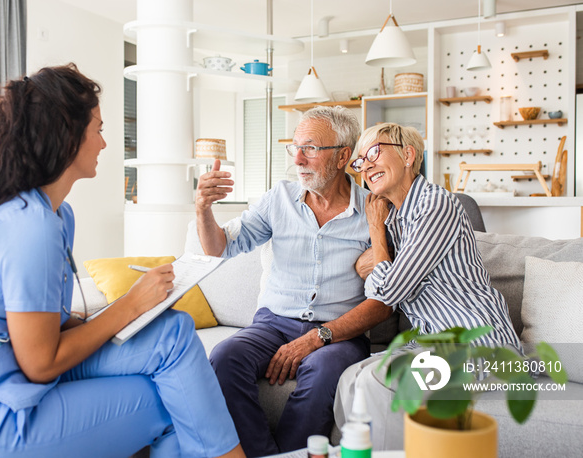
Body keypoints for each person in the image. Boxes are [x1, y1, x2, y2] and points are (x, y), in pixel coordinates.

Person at [0, 64, 244, 458]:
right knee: (180, 400)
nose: (105, 144)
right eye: (99, 130)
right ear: (68, 136)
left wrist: (133, 312)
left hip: (15, 372)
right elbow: (40, 362)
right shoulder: (26, 225)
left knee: (172, 330)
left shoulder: (55, 215)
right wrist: (129, 304)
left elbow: (49, 320)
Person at [195, 106, 393, 456]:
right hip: (272, 323)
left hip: (339, 332)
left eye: (311, 148)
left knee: (323, 369)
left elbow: (384, 301)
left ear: (343, 156)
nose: (298, 159)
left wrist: (319, 337)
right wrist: (203, 209)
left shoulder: (374, 211)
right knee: (225, 357)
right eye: (295, 147)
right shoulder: (278, 200)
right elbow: (218, 248)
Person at [333, 122, 523, 450]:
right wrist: (382, 252)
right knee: (351, 379)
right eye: (361, 161)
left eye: (375, 152)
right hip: (431, 344)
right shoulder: (397, 219)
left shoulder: (436, 206)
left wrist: (375, 230)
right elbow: (369, 272)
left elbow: (386, 291)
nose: (366, 165)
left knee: (380, 381)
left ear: (408, 155)